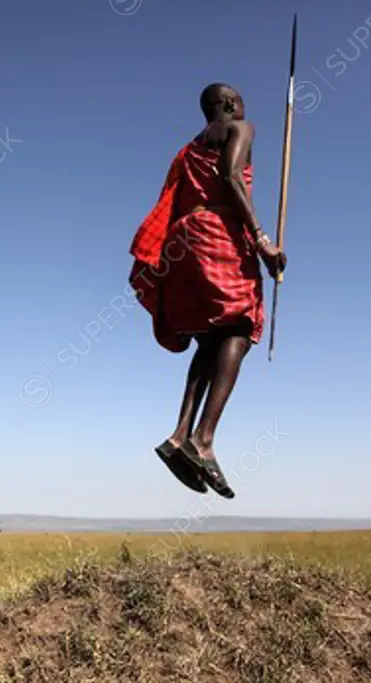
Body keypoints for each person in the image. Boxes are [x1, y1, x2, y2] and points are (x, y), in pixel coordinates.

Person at [128, 83, 287, 499]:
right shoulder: (240, 127)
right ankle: (204, 439)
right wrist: (261, 239)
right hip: (218, 233)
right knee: (241, 323)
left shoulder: (190, 146)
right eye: (241, 101)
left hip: (184, 241)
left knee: (211, 338)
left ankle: (180, 436)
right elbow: (231, 176)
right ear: (230, 104)